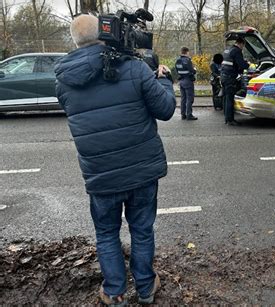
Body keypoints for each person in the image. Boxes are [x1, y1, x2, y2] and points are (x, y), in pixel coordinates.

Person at [54, 15, 176, 306]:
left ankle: (114, 293)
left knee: (106, 234)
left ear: (75, 41)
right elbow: (166, 109)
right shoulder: (134, 67)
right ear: (109, 34)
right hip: (142, 171)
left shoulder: (63, 81)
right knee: (142, 230)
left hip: (100, 175)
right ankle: (146, 289)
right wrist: (165, 79)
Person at [221, 37, 249, 126]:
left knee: (226, 98)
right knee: (230, 99)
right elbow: (242, 65)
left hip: (223, 77)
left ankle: (226, 118)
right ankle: (230, 120)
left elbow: (232, 63)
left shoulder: (228, 50)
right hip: (230, 78)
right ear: (241, 44)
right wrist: (248, 64)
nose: (242, 48)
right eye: (243, 46)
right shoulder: (237, 51)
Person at [175, 47, 197, 120]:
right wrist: (194, 70)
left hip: (181, 81)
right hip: (188, 81)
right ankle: (189, 115)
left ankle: (183, 114)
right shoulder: (187, 60)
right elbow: (191, 71)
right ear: (187, 52)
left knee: (183, 98)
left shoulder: (177, 61)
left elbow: (177, 71)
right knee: (189, 98)